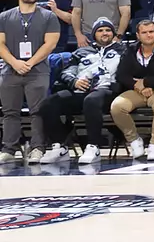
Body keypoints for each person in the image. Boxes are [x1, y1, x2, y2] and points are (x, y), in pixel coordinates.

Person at [37, 17, 125, 165]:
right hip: (81, 90)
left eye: (108, 30)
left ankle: (93, 146)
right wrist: (75, 82)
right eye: (100, 30)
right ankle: (59, 146)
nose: (105, 33)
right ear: (94, 34)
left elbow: (127, 72)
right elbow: (67, 73)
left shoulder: (122, 51)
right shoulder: (81, 52)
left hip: (108, 91)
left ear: (113, 33)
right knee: (49, 103)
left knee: (92, 100)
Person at [0, 0, 60, 162]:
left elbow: (50, 44)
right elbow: (0, 44)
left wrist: (30, 62)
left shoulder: (48, 16)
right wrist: (15, 62)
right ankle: (9, 149)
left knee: (37, 111)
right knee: (10, 111)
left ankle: (37, 147)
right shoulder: (4, 17)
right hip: (10, 70)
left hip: (38, 70)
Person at [109, 19, 154, 161]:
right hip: (138, 91)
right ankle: (134, 141)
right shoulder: (131, 50)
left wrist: (146, 82)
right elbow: (121, 74)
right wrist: (138, 86)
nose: (148, 35)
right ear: (138, 35)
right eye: (144, 32)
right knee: (117, 106)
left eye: (151, 32)